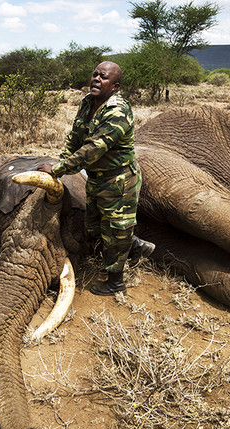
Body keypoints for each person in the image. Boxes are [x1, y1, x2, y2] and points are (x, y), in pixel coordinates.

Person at [38, 61, 155, 295]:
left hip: (119, 181)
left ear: (115, 86)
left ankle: (115, 281)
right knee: (94, 225)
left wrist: (59, 169)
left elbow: (92, 149)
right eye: (95, 74)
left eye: (104, 77)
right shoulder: (87, 103)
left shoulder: (117, 110)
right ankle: (134, 244)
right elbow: (76, 139)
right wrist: (60, 160)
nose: (96, 79)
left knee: (114, 229)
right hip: (95, 177)